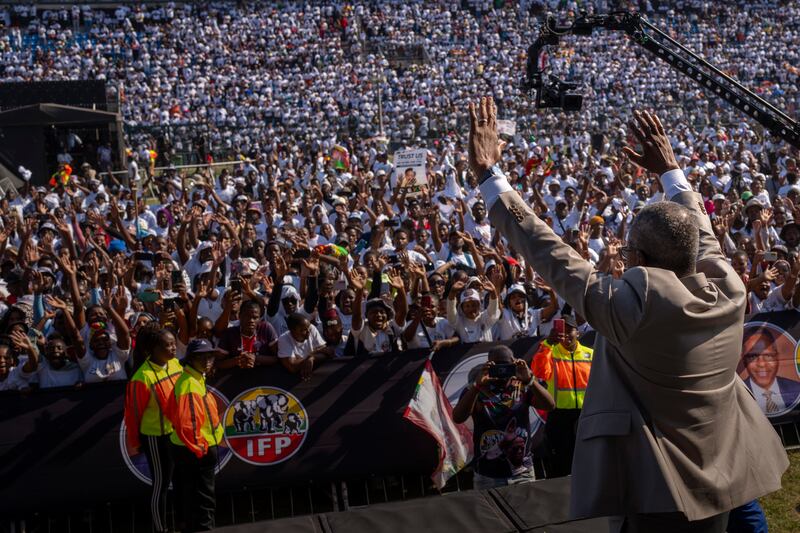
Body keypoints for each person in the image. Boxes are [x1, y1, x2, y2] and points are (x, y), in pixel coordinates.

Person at [469, 99, 787, 531]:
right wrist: (670, 172)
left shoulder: (632, 309)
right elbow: (703, 238)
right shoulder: (730, 291)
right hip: (722, 470)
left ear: (638, 257)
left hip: (657, 489)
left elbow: (550, 253)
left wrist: (489, 173)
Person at [452, 345, 554, 489]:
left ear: (514, 362)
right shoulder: (476, 389)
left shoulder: (523, 387)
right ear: (487, 365)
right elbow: (458, 417)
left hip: (522, 473)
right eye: (497, 365)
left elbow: (550, 405)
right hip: (487, 475)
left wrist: (530, 380)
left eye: (506, 364)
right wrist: (476, 387)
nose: (501, 370)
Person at [124, 328, 182, 533]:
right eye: (167, 345)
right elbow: (133, 414)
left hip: (177, 434)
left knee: (181, 481)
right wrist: (136, 441)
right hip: (156, 437)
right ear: (152, 350)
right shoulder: (141, 377)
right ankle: (161, 529)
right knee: (162, 484)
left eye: (173, 343)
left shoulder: (176, 364)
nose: (173, 347)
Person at [167, 339, 225, 533]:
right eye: (201, 356)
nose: (207, 360)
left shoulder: (194, 379)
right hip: (196, 451)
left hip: (192, 449)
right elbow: (187, 424)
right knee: (204, 500)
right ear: (191, 359)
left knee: (193, 497)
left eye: (210, 355)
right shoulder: (190, 384)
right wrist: (201, 449)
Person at [531, 314, 594, 477]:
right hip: (559, 416)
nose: (565, 334)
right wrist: (548, 343)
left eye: (569, 330)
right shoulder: (549, 352)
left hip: (585, 415)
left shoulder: (590, 354)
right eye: (561, 330)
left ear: (578, 333)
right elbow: (538, 372)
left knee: (588, 461)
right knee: (560, 463)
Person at [740, 326, 800, 415]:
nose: (761, 364)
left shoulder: (796, 387)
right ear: (744, 360)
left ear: (777, 357)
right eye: (753, 357)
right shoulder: (738, 395)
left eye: (768, 356)